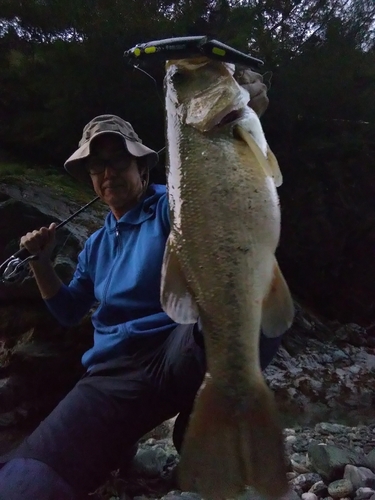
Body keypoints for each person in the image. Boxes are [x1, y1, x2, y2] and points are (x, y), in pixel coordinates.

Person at [0, 70, 282, 500]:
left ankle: (205, 419)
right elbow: (68, 310)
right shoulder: (95, 246)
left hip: (179, 349)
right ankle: (124, 438)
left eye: (118, 160)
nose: (107, 172)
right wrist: (40, 261)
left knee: (255, 308)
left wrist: (241, 128)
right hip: (112, 374)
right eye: (97, 166)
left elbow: (222, 202)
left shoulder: (175, 204)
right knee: (23, 483)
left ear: (142, 164)